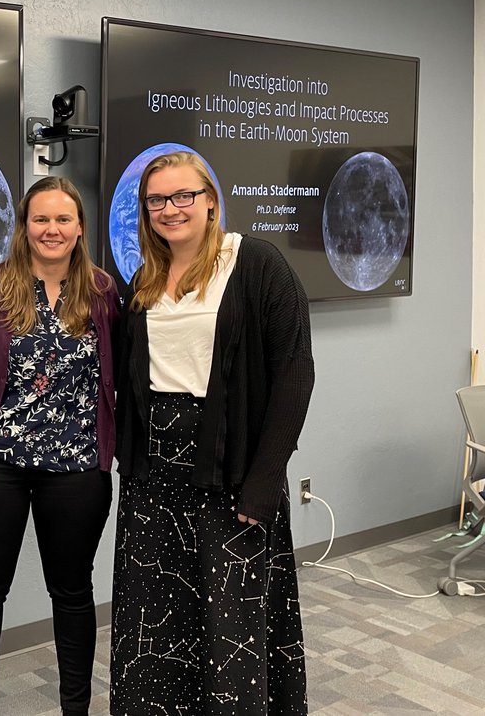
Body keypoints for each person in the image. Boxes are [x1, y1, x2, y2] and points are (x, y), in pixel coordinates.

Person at [109, 151, 314, 715]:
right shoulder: (144, 279)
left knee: (233, 620)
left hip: (232, 473)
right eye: (156, 200)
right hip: (154, 480)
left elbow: (295, 373)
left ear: (209, 201)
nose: (170, 210)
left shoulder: (254, 263)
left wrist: (266, 483)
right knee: (154, 618)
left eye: (182, 197)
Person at [0, 176, 120, 716]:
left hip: (78, 467)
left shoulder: (105, 293)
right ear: (24, 225)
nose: (52, 229)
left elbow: (123, 378)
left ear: (80, 228)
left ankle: (76, 709)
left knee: (73, 592)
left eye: (63, 219)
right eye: (41, 219)